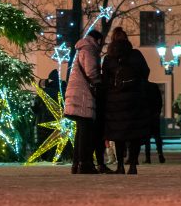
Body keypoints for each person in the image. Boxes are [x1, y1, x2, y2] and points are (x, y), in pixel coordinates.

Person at [102, 27, 149, 175]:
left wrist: (112, 91)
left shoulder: (109, 58)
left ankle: (120, 165)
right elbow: (145, 72)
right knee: (134, 133)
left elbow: (104, 79)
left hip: (115, 101)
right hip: (134, 99)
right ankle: (133, 165)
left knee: (119, 134)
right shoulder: (135, 54)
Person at [64, 30, 103, 174]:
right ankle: (84, 164)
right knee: (85, 132)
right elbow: (91, 72)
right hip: (82, 95)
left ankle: (76, 164)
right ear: (97, 40)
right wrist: (99, 81)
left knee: (81, 131)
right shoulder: (88, 49)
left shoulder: (81, 49)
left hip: (76, 94)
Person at [144, 82, 165, 164]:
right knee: (157, 136)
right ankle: (160, 155)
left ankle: (148, 158)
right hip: (155, 115)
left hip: (145, 115)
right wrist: (158, 112)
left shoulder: (141, 86)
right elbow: (160, 101)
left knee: (146, 138)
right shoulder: (154, 86)